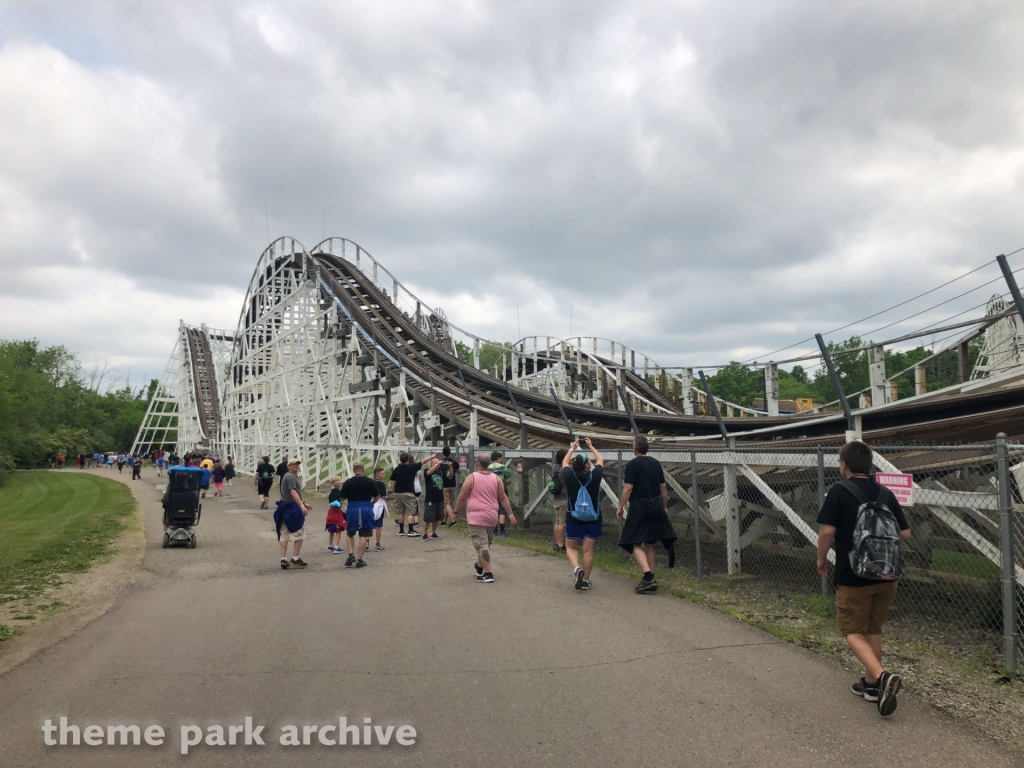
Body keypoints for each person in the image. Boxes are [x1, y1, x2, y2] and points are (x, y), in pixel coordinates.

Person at [817, 440, 911, 717]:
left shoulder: (839, 491)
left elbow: (826, 532)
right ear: (869, 465)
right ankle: (870, 686)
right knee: (873, 629)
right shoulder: (884, 492)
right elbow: (905, 534)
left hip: (854, 574)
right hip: (887, 575)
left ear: (844, 464)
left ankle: (881, 676)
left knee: (851, 630)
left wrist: (822, 559)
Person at [616, 436, 677, 594]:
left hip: (639, 505)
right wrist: (664, 505)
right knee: (649, 542)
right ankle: (650, 577)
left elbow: (628, 487)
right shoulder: (655, 463)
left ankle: (648, 577)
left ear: (634, 449)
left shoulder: (633, 465)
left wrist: (620, 506)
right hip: (655, 503)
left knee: (632, 541)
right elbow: (663, 487)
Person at [454, 454, 517, 583]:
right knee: (485, 543)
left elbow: (462, 496)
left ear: (477, 463)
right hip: (491, 516)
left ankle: (488, 573)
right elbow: (503, 498)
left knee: (482, 544)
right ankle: (479, 567)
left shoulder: (471, 478)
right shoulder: (496, 479)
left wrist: (455, 511)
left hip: (476, 516)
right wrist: (510, 514)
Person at [562, 439, 604, 591]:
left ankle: (576, 568)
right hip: (593, 518)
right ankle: (585, 580)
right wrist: (591, 446)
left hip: (573, 517)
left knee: (571, 547)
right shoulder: (595, 476)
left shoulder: (570, 477)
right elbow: (600, 460)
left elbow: (564, 463)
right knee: (588, 550)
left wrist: (572, 448)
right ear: (588, 465)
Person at [339, 463, 378, 568]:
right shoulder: (370, 481)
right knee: (364, 535)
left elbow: (342, 497)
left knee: (350, 533)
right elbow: (377, 495)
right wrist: (372, 503)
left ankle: (351, 554)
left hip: (352, 508)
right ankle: (360, 559)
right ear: (363, 470)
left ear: (353, 470)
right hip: (366, 507)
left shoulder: (348, 482)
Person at [275, 458, 312, 569]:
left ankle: (283, 559)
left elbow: (290, 494)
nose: (296, 466)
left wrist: (303, 502)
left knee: (284, 533)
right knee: (299, 532)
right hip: (291, 507)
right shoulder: (291, 477)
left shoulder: (287, 476)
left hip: (284, 505)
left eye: (298, 464)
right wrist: (301, 506)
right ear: (289, 466)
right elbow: (292, 492)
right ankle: (295, 558)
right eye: (294, 464)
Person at [391, 452, 434, 537]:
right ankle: (411, 530)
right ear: (408, 459)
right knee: (411, 512)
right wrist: (431, 456)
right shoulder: (412, 467)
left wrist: (394, 492)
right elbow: (423, 461)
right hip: (408, 492)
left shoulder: (397, 469)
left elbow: (393, 482)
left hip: (398, 492)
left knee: (401, 512)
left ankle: (401, 530)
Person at [488, 451, 513, 536]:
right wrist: (505, 483)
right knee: (502, 510)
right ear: (498, 458)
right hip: (501, 490)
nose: (501, 460)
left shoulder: (488, 468)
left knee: (493, 510)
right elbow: (509, 480)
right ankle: (502, 532)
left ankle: (494, 531)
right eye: (500, 458)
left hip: (491, 491)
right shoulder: (503, 467)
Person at [422, 457, 445, 540]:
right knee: (428, 517)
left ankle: (433, 532)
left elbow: (450, 475)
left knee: (437, 517)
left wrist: (450, 466)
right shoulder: (427, 471)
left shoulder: (441, 472)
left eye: (438, 463)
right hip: (430, 498)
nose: (438, 465)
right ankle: (424, 533)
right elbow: (428, 473)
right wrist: (437, 464)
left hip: (439, 498)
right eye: (435, 463)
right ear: (432, 464)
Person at [551, 448, 568, 553]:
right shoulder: (564, 469)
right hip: (564, 497)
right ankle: (561, 544)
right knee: (562, 522)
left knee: (557, 521)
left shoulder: (554, 467)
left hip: (556, 498)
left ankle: (557, 542)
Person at [439, 446, 460, 526]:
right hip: (452, 484)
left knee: (446, 504)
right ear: (450, 452)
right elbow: (459, 471)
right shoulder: (454, 462)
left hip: (444, 485)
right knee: (449, 504)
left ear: (443, 452)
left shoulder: (441, 462)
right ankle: (444, 521)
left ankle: (453, 519)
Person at [325, 476, 347, 554]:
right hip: (336, 511)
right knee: (338, 529)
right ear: (333, 483)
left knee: (332, 529)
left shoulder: (332, 491)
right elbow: (340, 499)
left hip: (331, 511)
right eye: (338, 481)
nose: (340, 482)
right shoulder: (337, 491)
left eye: (340, 480)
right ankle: (336, 547)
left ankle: (330, 545)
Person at [371, 467, 388, 552]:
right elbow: (383, 496)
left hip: (371, 505)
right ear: (377, 474)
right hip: (379, 505)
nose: (384, 475)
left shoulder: (370, 483)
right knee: (379, 526)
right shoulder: (381, 484)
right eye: (383, 473)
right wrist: (386, 492)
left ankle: (366, 542)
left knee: (369, 525)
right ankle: (377, 544)